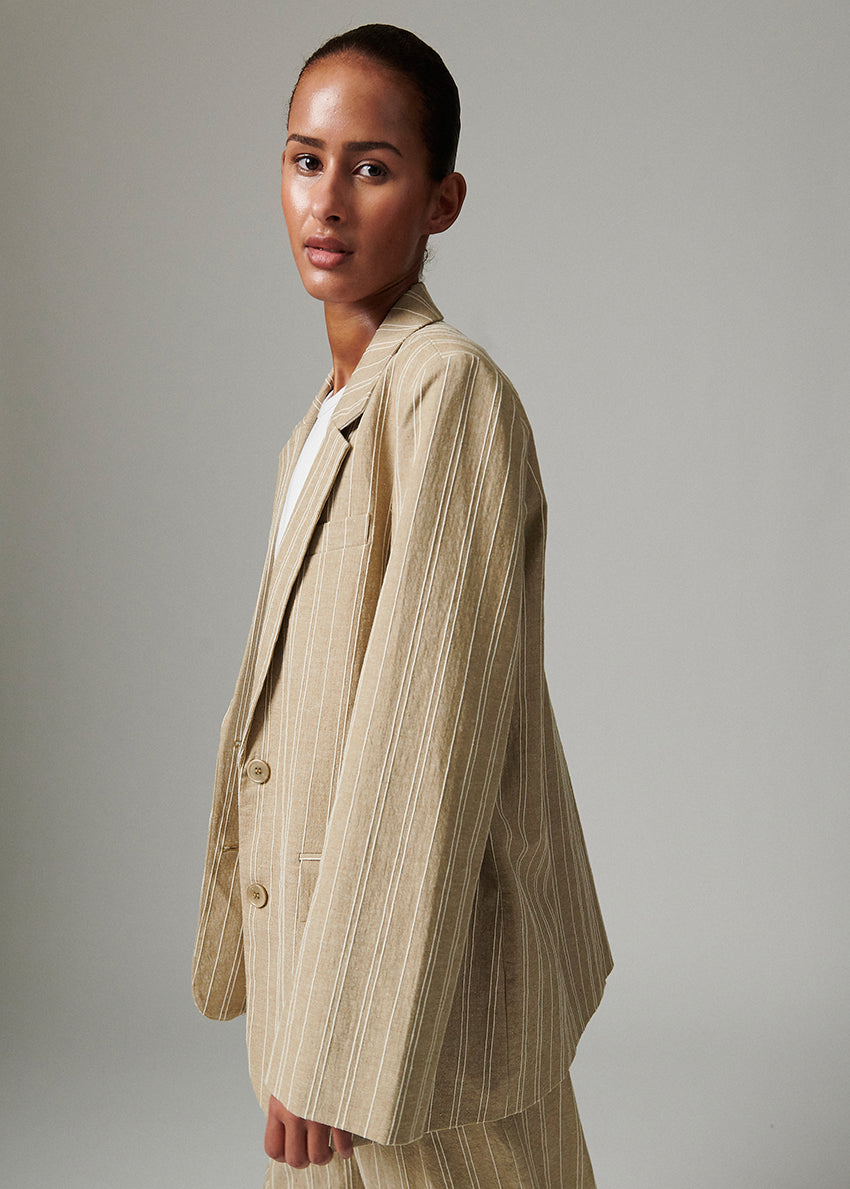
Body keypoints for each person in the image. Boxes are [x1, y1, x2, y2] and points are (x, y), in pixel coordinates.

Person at [192, 23, 612, 1188]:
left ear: (440, 201)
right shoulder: (317, 428)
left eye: (371, 168)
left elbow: (424, 738)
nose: (327, 200)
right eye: (305, 160)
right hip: (326, 977)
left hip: (421, 1004)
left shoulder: (447, 393)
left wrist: (336, 1044)